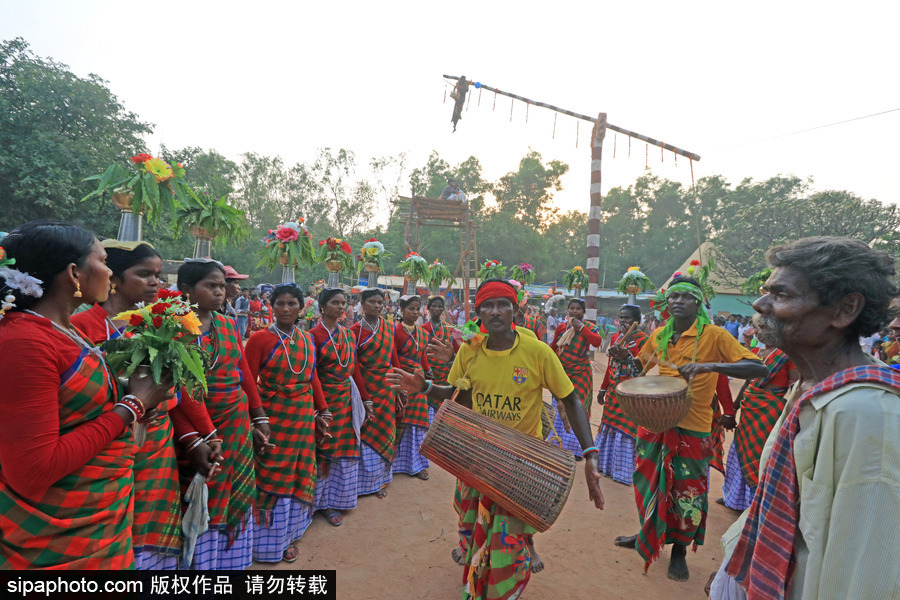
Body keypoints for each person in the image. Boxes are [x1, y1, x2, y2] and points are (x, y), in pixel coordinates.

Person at [707, 237, 900, 600]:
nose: (759, 304)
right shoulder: (816, 387)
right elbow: (779, 507)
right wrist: (737, 565)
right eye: (766, 292)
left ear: (845, 310)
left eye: (780, 295)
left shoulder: (868, 414)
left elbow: (865, 570)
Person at [387, 279, 605, 600]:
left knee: (509, 540)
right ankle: (479, 577)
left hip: (521, 460)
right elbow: (459, 396)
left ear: (516, 309)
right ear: (477, 314)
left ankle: (505, 589)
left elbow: (570, 398)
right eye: (486, 306)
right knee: (474, 522)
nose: (495, 311)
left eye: (503, 304)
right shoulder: (470, 352)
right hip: (480, 455)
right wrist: (426, 388)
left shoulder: (537, 351)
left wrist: (590, 454)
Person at [0, 221, 172, 568]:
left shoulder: (65, 332)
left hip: (100, 516)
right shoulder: (25, 342)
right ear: (74, 273)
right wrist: (132, 406)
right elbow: (34, 470)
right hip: (57, 537)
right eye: (104, 260)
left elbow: (74, 407)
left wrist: (133, 397)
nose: (110, 272)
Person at [613, 276, 765, 582]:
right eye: (673, 297)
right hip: (654, 423)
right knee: (647, 483)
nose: (678, 301)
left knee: (687, 492)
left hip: (694, 427)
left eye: (686, 297)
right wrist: (625, 360)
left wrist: (710, 366)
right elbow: (637, 372)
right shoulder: (658, 335)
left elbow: (758, 367)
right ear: (667, 303)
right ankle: (647, 535)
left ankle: (680, 550)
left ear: (698, 303)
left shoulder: (715, 335)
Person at [71, 240, 183, 570]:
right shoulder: (83, 327)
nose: (155, 283)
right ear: (115, 279)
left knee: (154, 519)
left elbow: (172, 390)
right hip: (108, 441)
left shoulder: (157, 322)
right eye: (144, 274)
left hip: (158, 442)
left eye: (158, 276)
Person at [177, 259, 269, 570]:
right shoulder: (173, 327)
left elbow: (242, 372)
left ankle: (229, 564)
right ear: (187, 291)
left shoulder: (228, 325)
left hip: (235, 421)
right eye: (211, 286)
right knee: (203, 492)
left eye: (221, 286)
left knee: (236, 490)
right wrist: (202, 434)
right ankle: (200, 566)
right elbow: (179, 388)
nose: (220, 292)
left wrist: (259, 416)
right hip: (198, 424)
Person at [245, 283, 329, 563]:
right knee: (270, 472)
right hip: (272, 416)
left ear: (301, 308)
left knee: (298, 471)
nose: (285, 308)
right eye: (279, 303)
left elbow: (312, 376)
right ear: (271, 307)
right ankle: (264, 544)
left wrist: (323, 410)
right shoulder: (259, 339)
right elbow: (248, 382)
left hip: (302, 416)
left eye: (292, 303)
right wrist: (257, 419)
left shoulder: (307, 339)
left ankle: (290, 535)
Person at [308, 288, 366, 527]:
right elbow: (311, 374)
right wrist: (321, 408)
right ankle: (320, 503)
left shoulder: (348, 334)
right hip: (323, 399)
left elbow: (354, 369)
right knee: (324, 449)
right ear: (322, 307)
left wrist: (365, 399)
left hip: (346, 398)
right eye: (335, 303)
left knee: (344, 446)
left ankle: (337, 498)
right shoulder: (312, 335)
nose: (341, 307)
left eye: (344, 303)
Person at [718, 345, 797, 511]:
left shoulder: (787, 355)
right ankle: (732, 498)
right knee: (739, 453)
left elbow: (795, 390)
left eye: (764, 326)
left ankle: (752, 506)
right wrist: (733, 409)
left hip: (768, 412)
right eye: (757, 327)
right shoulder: (755, 352)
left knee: (758, 457)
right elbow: (748, 382)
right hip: (749, 408)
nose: (759, 331)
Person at [350, 289, 401, 498]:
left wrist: (400, 385)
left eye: (381, 302)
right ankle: (363, 483)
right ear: (362, 303)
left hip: (387, 387)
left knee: (386, 430)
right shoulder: (354, 330)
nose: (377, 306)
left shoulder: (389, 328)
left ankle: (380, 481)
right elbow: (355, 366)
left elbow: (394, 358)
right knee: (366, 432)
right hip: (366, 387)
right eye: (372, 302)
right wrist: (364, 396)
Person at [595, 304, 648, 484]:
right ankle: (605, 466)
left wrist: (629, 348)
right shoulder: (616, 337)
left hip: (631, 393)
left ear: (637, 321)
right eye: (621, 317)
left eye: (627, 318)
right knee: (608, 426)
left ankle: (623, 472)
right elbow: (611, 365)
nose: (623, 321)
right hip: (613, 392)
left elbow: (641, 368)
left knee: (627, 430)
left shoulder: (643, 340)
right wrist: (603, 388)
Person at [548, 298, 605, 459]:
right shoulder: (561, 327)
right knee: (559, 407)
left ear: (583, 312)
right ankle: (557, 444)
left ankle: (576, 449)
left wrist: (580, 328)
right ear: (567, 311)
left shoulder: (590, 328)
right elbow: (553, 348)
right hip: (562, 372)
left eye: (578, 309)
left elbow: (597, 341)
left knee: (578, 408)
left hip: (580, 374)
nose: (574, 311)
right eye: (571, 308)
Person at [392, 295, 434, 480]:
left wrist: (428, 370)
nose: (415, 312)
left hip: (418, 381)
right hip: (401, 379)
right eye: (411, 308)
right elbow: (392, 356)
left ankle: (416, 465)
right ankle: (392, 465)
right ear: (402, 310)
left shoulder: (423, 333)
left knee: (417, 425)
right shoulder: (395, 331)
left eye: (418, 309)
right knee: (399, 420)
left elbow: (421, 354)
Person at [422, 295, 458, 385]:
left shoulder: (448, 328)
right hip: (429, 371)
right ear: (429, 308)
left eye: (440, 306)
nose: (437, 309)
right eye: (434, 306)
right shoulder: (423, 329)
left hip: (446, 370)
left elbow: (456, 348)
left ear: (443, 309)